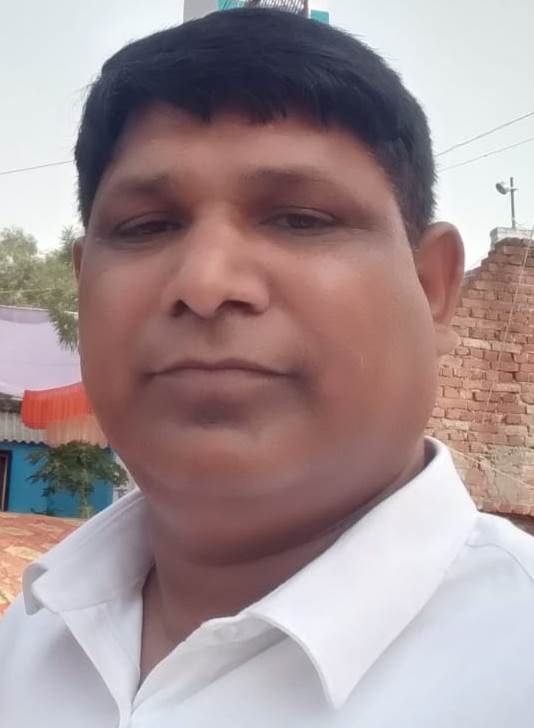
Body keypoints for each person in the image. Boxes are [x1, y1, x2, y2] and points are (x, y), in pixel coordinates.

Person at [1, 7, 534, 727]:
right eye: (147, 226)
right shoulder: (31, 639)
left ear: (433, 287)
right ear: (83, 281)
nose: (206, 282)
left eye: (299, 219)